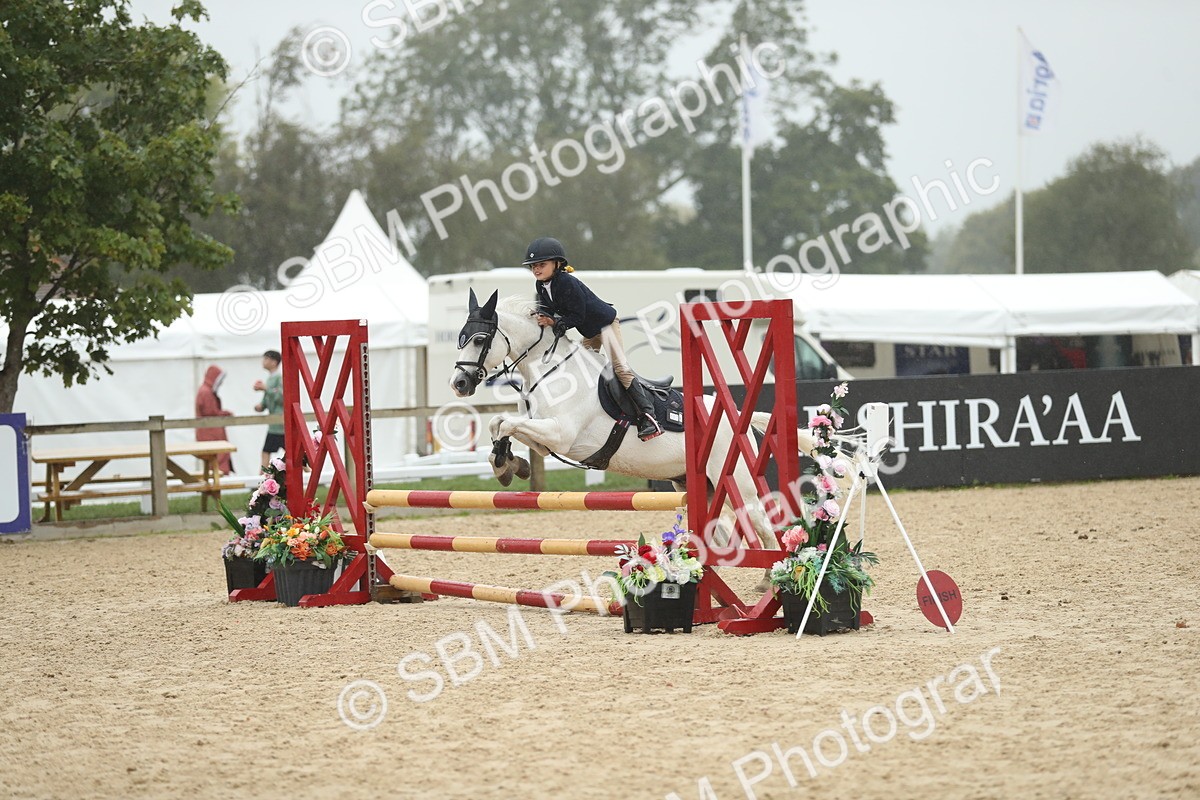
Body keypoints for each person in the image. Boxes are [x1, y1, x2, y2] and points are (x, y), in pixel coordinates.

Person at [524, 236, 663, 441]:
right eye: (533, 266)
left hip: (606, 326)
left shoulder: (567, 282)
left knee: (620, 369)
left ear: (557, 264)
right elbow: (550, 310)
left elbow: (576, 316)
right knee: (579, 365)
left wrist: (554, 322)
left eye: (541, 265)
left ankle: (648, 416)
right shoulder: (541, 286)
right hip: (589, 331)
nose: (536, 270)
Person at [195, 365, 235, 475]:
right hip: (211, 433)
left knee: (215, 460)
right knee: (217, 459)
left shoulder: (205, 390)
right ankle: (216, 484)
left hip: (211, 432)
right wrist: (226, 413)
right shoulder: (206, 392)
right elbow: (210, 412)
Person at [253, 350, 284, 468]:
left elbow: (281, 397)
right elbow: (268, 398)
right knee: (267, 451)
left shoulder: (279, 378)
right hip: (274, 423)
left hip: (280, 423)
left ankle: (263, 477)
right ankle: (264, 477)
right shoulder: (270, 378)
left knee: (267, 452)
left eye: (266, 359)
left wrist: (266, 389)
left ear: (274, 362)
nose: (263, 362)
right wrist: (261, 406)